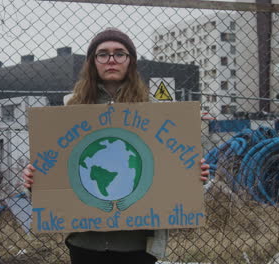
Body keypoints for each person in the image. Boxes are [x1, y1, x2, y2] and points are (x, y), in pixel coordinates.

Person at [23, 28, 210, 264]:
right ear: (92, 62)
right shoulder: (70, 108)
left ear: (130, 61)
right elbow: (57, 173)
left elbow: (171, 173)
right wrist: (34, 181)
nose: (111, 60)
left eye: (120, 53)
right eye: (103, 54)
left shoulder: (154, 109)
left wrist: (194, 176)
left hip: (137, 242)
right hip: (85, 240)